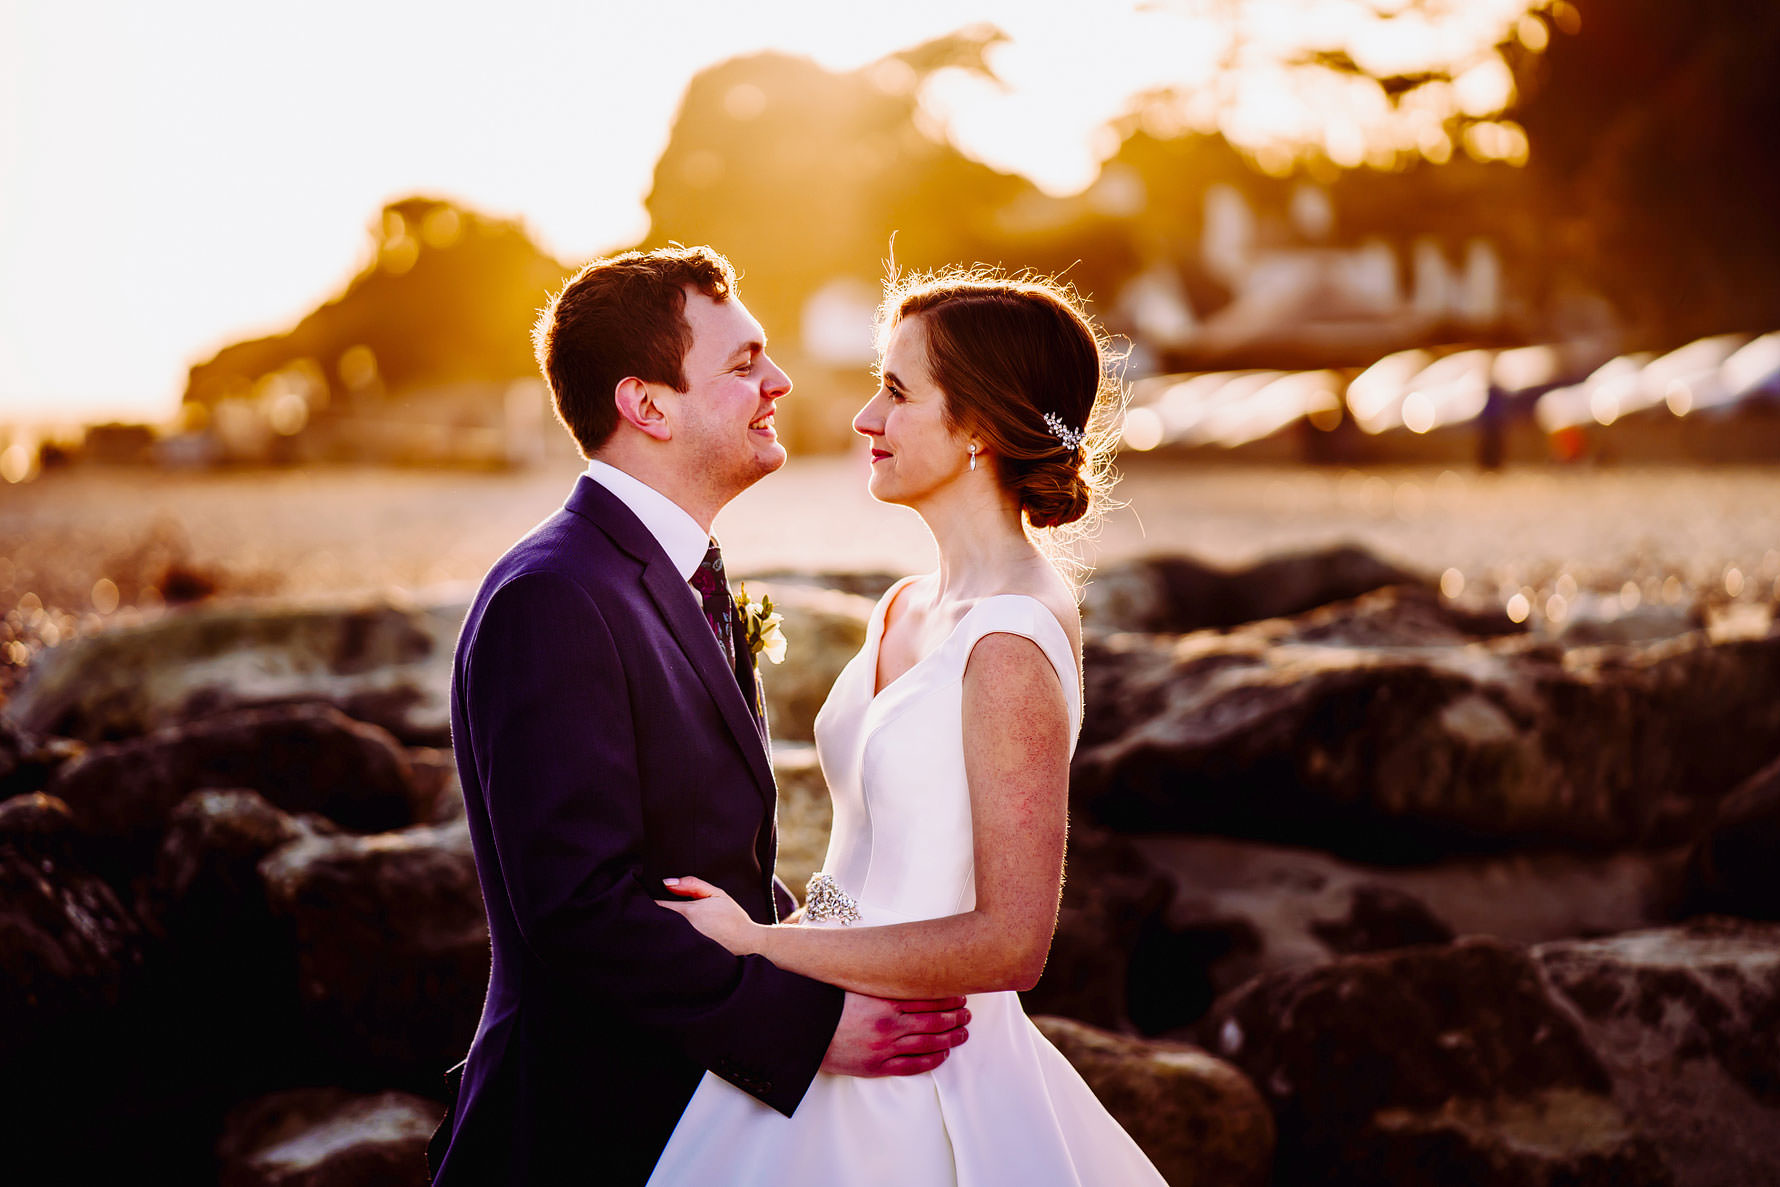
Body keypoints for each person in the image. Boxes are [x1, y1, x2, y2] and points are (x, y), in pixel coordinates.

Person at [426, 246, 972, 1186]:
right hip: (584, 1132)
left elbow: (716, 866)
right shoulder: (553, 596)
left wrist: (833, 955)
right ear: (648, 405)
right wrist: (809, 1027)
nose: (780, 381)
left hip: (703, 1118)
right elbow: (580, 911)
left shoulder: (677, 575)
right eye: (743, 362)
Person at [652, 269, 1168, 1184]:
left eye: (895, 392)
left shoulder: (1010, 637)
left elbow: (1013, 942)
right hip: (828, 1026)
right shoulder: (903, 603)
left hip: (920, 1072)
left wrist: (762, 944)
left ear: (977, 427)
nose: (863, 420)